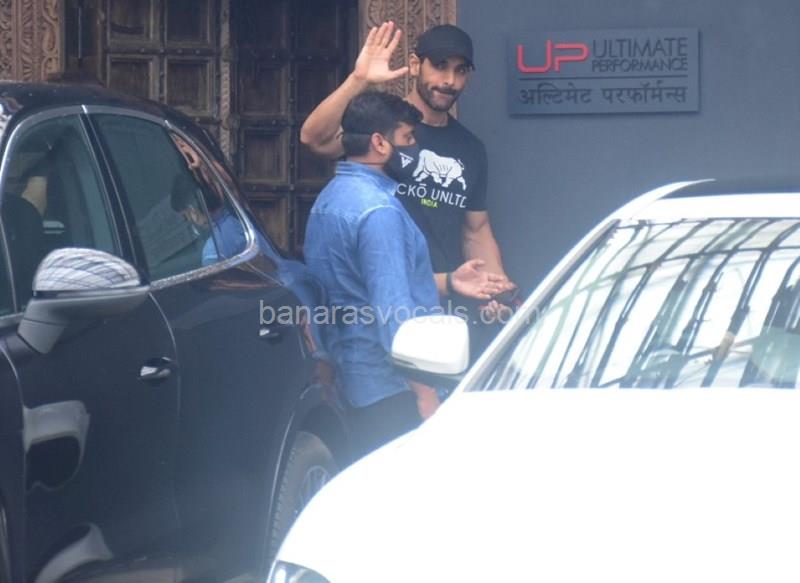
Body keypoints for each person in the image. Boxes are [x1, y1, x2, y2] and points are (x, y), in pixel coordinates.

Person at [300, 22, 517, 356]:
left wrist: (496, 290)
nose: (449, 80)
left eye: (460, 71)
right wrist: (359, 80)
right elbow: (314, 139)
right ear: (416, 65)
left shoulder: (470, 148)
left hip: (443, 305)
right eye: (440, 66)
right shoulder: (382, 126)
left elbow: (476, 230)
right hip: (378, 311)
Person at [304, 91, 441, 460]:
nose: (413, 148)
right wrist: (426, 394)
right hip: (390, 390)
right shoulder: (380, 211)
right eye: (408, 138)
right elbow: (393, 313)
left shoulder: (330, 198)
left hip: (347, 380)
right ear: (380, 143)